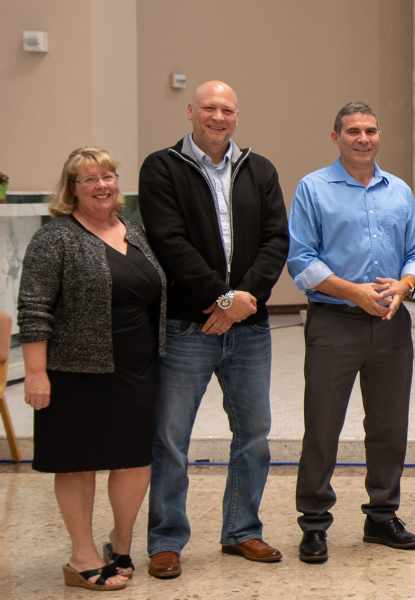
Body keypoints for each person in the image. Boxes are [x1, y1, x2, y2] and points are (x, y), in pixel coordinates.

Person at [140, 81, 290, 577]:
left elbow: (275, 241)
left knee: (254, 434)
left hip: (250, 328)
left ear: (237, 115)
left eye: (226, 109)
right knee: (171, 437)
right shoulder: (161, 167)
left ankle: (242, 530)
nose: (217, 116)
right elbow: (169, 241)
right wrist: (222, 299)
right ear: (190, 111)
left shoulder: (260, 169)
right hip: (188, 326)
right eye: (209, 107)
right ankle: (166, 540)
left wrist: (244, 301)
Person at [287, 102, 415, 562]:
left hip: (392, 324)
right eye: (353, 131)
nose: (363, 138)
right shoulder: (313, 188)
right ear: (336, 137)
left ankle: (382, 516)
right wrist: (353, 292)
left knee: (389, 428)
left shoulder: (400, 191)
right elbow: (301, 261)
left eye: (370, 130)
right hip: (334, 322)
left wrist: (406, 283)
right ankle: (313, 522)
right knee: (323, 427)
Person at [18, 148, 165, 591]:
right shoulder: (55, 238)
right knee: (79, 463)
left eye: (108, 175)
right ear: (72, 189)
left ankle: (120, 544)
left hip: (138, 369)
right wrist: (36, 372)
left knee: (134, 461)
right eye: (88, 179)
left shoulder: (135, 233)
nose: (102, 185)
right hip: (75, 371)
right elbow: (33, 308)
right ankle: (80, 556)